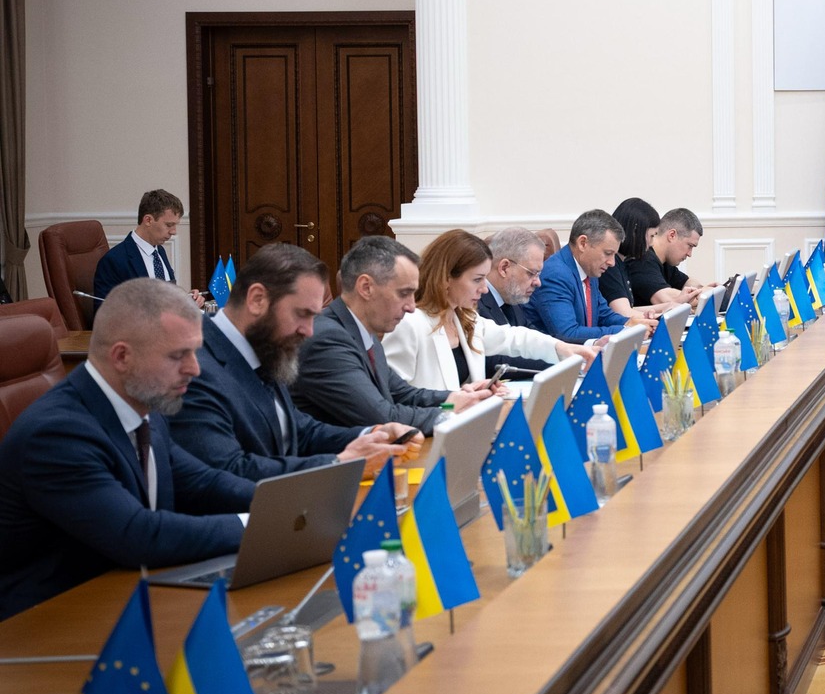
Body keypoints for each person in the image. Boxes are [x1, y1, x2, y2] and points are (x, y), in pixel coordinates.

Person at [0, 280, 253, 619]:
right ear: (121, 356)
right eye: (178, 355)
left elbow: (202, 483)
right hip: (48, 621)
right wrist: (254, 524)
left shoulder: (144, 403)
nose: (195, 369)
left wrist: (283, 503)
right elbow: (139, 536)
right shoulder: (55, 435)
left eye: (195, 351)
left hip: (125, 596)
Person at [169, 243, 419, 482]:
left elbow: (298, 431)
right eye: (302, 314)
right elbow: (229, 470)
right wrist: (340, 463)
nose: (309, 331)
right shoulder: (193, 368)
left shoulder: (267, 346)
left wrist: (374, 434)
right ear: (257, 299)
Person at [291, 235, 494, 432]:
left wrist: (460, 398)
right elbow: (381, 417)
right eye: (404, 293)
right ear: (366, 287)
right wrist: (449, 414)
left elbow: (402, 393)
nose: (411, 307)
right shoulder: (328, 340)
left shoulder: (364, 332)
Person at [385, 231, 596, 390]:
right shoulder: (409, 324)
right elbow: (396, 399)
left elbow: (513, 338)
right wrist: (457, 399)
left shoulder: (464, 317)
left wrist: (561, 348)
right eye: (477, 279)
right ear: (447, 278)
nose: (484, 288)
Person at [531, 209, 631, 342]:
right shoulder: (555, 275)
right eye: (608, 253)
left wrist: (633, 323)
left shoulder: (589, 269)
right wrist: (626, 330)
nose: (612, 263)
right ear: (583, 243)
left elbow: (603, 315)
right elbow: (568, 334)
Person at [478, 227, 550, 376]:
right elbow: (494, 361)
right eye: (532, 273)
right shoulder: (475, 302)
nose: (538, 282)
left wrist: (587, 346)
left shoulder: (510, 297)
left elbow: (538, 339)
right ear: (504, 268)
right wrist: (562, 358)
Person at [92, 189, 187, 300]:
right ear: (148, 220)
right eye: (169, 225)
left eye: (175, 225)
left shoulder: (159, 251)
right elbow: (105, 308)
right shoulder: (114, 260)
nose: (174, 232)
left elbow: (167, 297)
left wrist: (186, 300)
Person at [624, 206, 706, 309]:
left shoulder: (664, 262)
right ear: (672, 235)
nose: (690, 254)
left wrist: (699, 290)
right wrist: (702, 294)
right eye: (690, 245)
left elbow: (688, 282)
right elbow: (667, 299)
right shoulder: (643, 260)